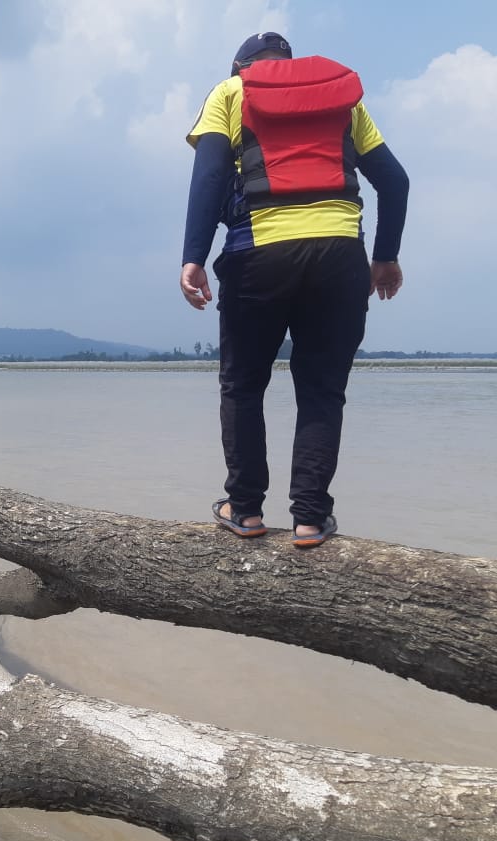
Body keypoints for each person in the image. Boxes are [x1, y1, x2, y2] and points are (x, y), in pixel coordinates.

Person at [180, 33, 409, 547]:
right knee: (322, 390)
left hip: (257, 255)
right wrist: (386, 256)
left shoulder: (230, 92)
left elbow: (211, 176)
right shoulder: (343, 101)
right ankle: (309, 519)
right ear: (292, 65)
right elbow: (395, 182)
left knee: (242, 386)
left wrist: (192, 256)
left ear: (242, 67)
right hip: (340, 257)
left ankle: (245, 512)